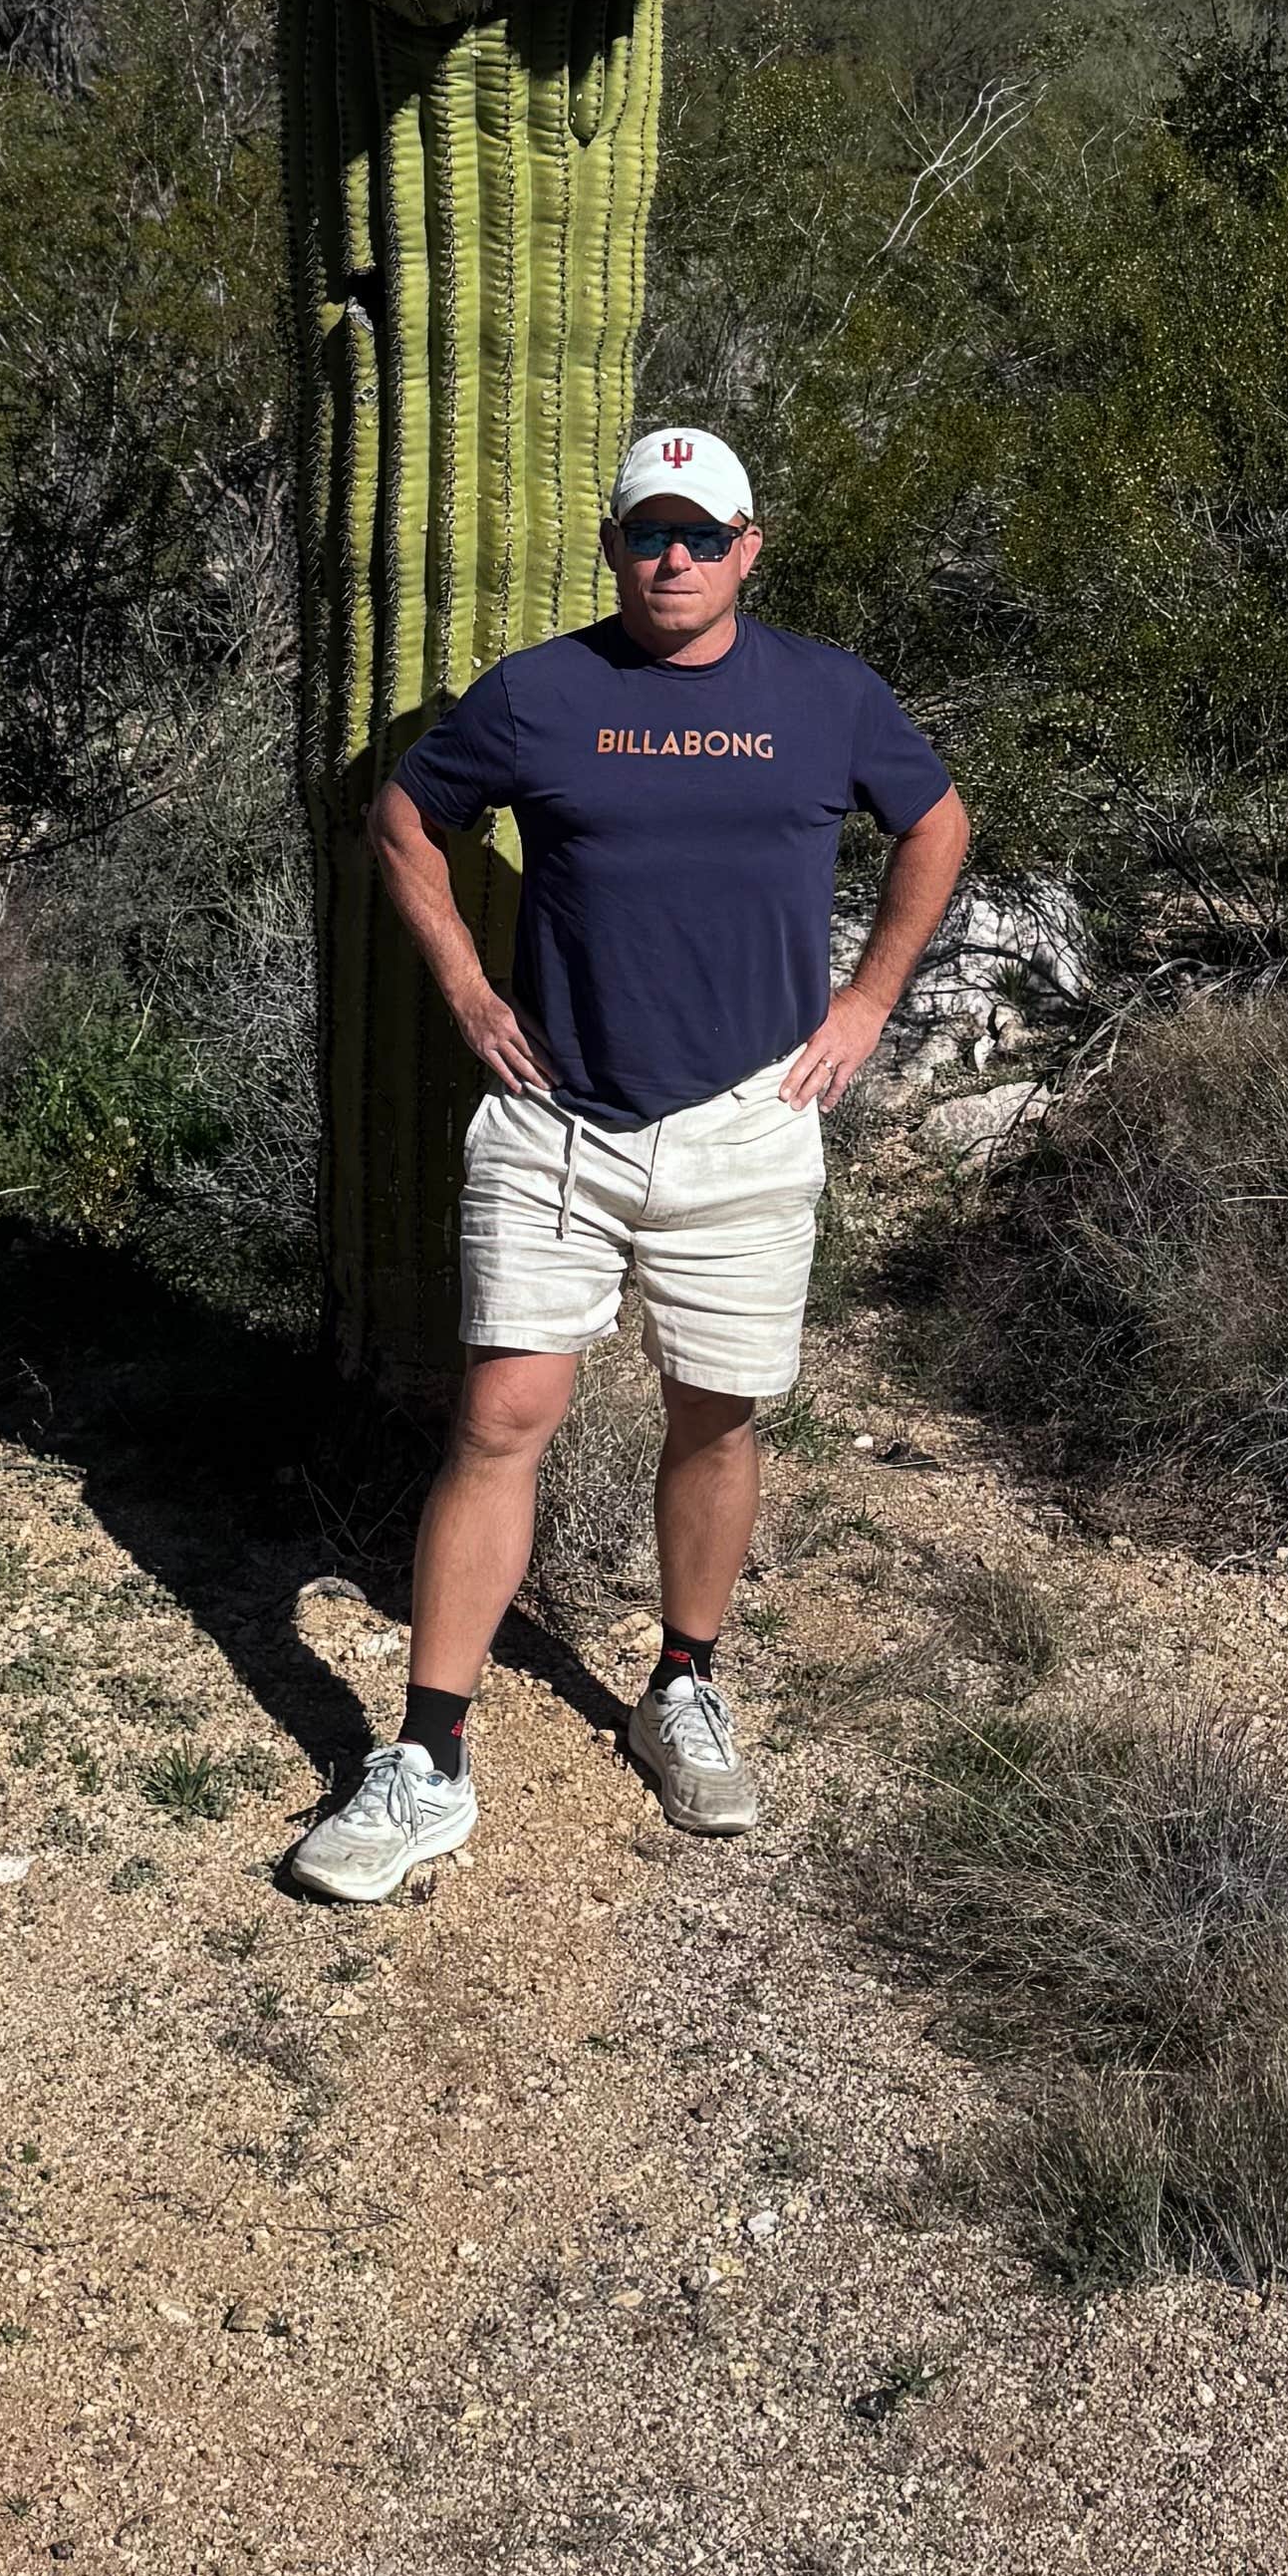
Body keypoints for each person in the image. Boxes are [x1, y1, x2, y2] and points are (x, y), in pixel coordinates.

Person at [286, 421, 970, 1902]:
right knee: (499, 1419)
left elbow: (936, 824)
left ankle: (682, 1687)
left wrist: (865, 1005)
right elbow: (406, 815)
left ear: (749, 548)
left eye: (701, 534)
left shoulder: (827, 696)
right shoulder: (543, 693)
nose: (674, 558)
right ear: (612, 547)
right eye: (648, 533)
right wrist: (470, 993)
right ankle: (427, 1756)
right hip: (559, 1121)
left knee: (716, 1421)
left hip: (744, 1119)